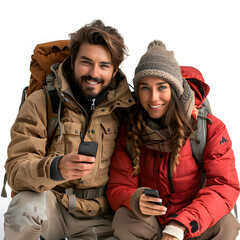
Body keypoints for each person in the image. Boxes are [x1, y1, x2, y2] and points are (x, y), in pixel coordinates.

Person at [4, 19, 134, 240]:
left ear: (114, 71)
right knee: (23, 209)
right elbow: (16, 171)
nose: (94, 73)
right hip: (52, 205)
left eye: (104, 65)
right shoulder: (42, 101)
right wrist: (55, 168)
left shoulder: (127, 110)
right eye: (86, 62)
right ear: (72, 60)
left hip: (101, 216)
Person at [106, 40, 240, 240]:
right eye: (145, 88)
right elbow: (118, 185)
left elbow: (224, 185)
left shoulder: (209, 127)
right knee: (124, 219)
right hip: (152, 222)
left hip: (192, 222)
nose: (153, 98)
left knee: (226, 225)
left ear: (175, 89)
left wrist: (180, 226)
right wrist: (135, 199)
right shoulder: (129, 127)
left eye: (162, 88)